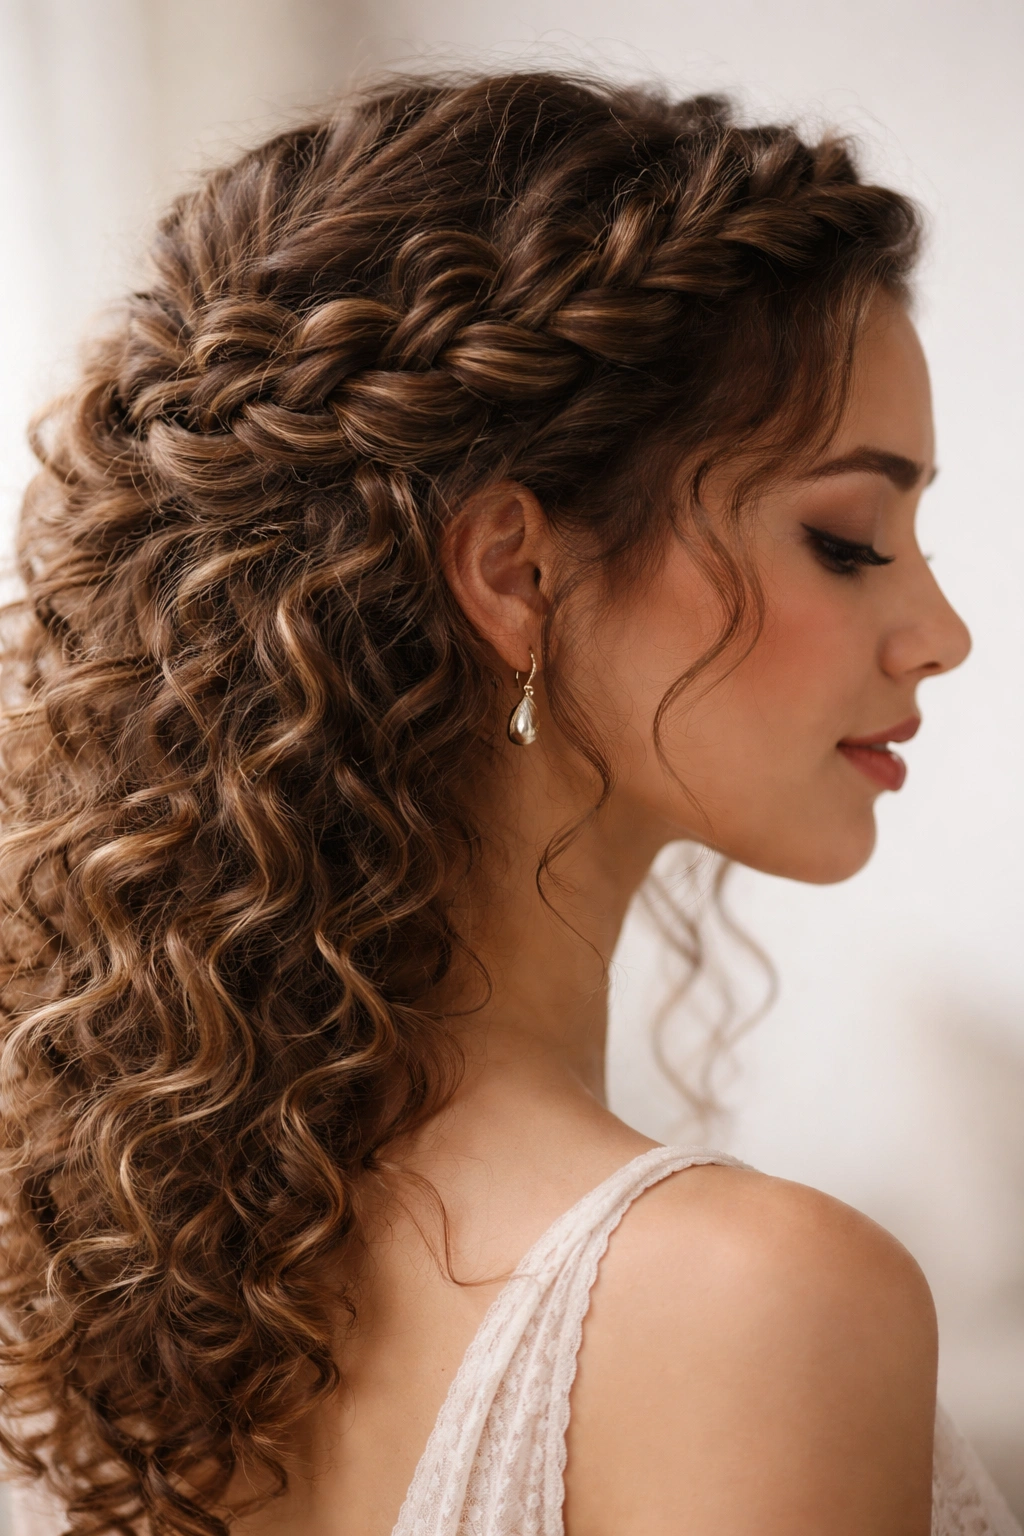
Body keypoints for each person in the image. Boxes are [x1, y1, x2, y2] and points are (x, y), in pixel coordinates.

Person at [0, 71, 1018, 1536]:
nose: (942, 631)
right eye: (850, 540)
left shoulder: (109, 1260)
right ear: (516, 572)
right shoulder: (760, 1304)